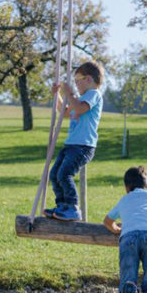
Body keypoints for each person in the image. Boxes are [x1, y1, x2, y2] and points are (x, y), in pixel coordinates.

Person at [44, 61, 105, 221]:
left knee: (65, 174)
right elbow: (64, 113)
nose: (76, 84)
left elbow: (80, 109)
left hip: (83, 146)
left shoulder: (93, 94)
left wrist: (69, 94)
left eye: (78, 80)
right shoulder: (80, 97)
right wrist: (57, 95)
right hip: (71, 144)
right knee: (55, 174)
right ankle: (62, 206)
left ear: (89, 79)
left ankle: (72, 207)